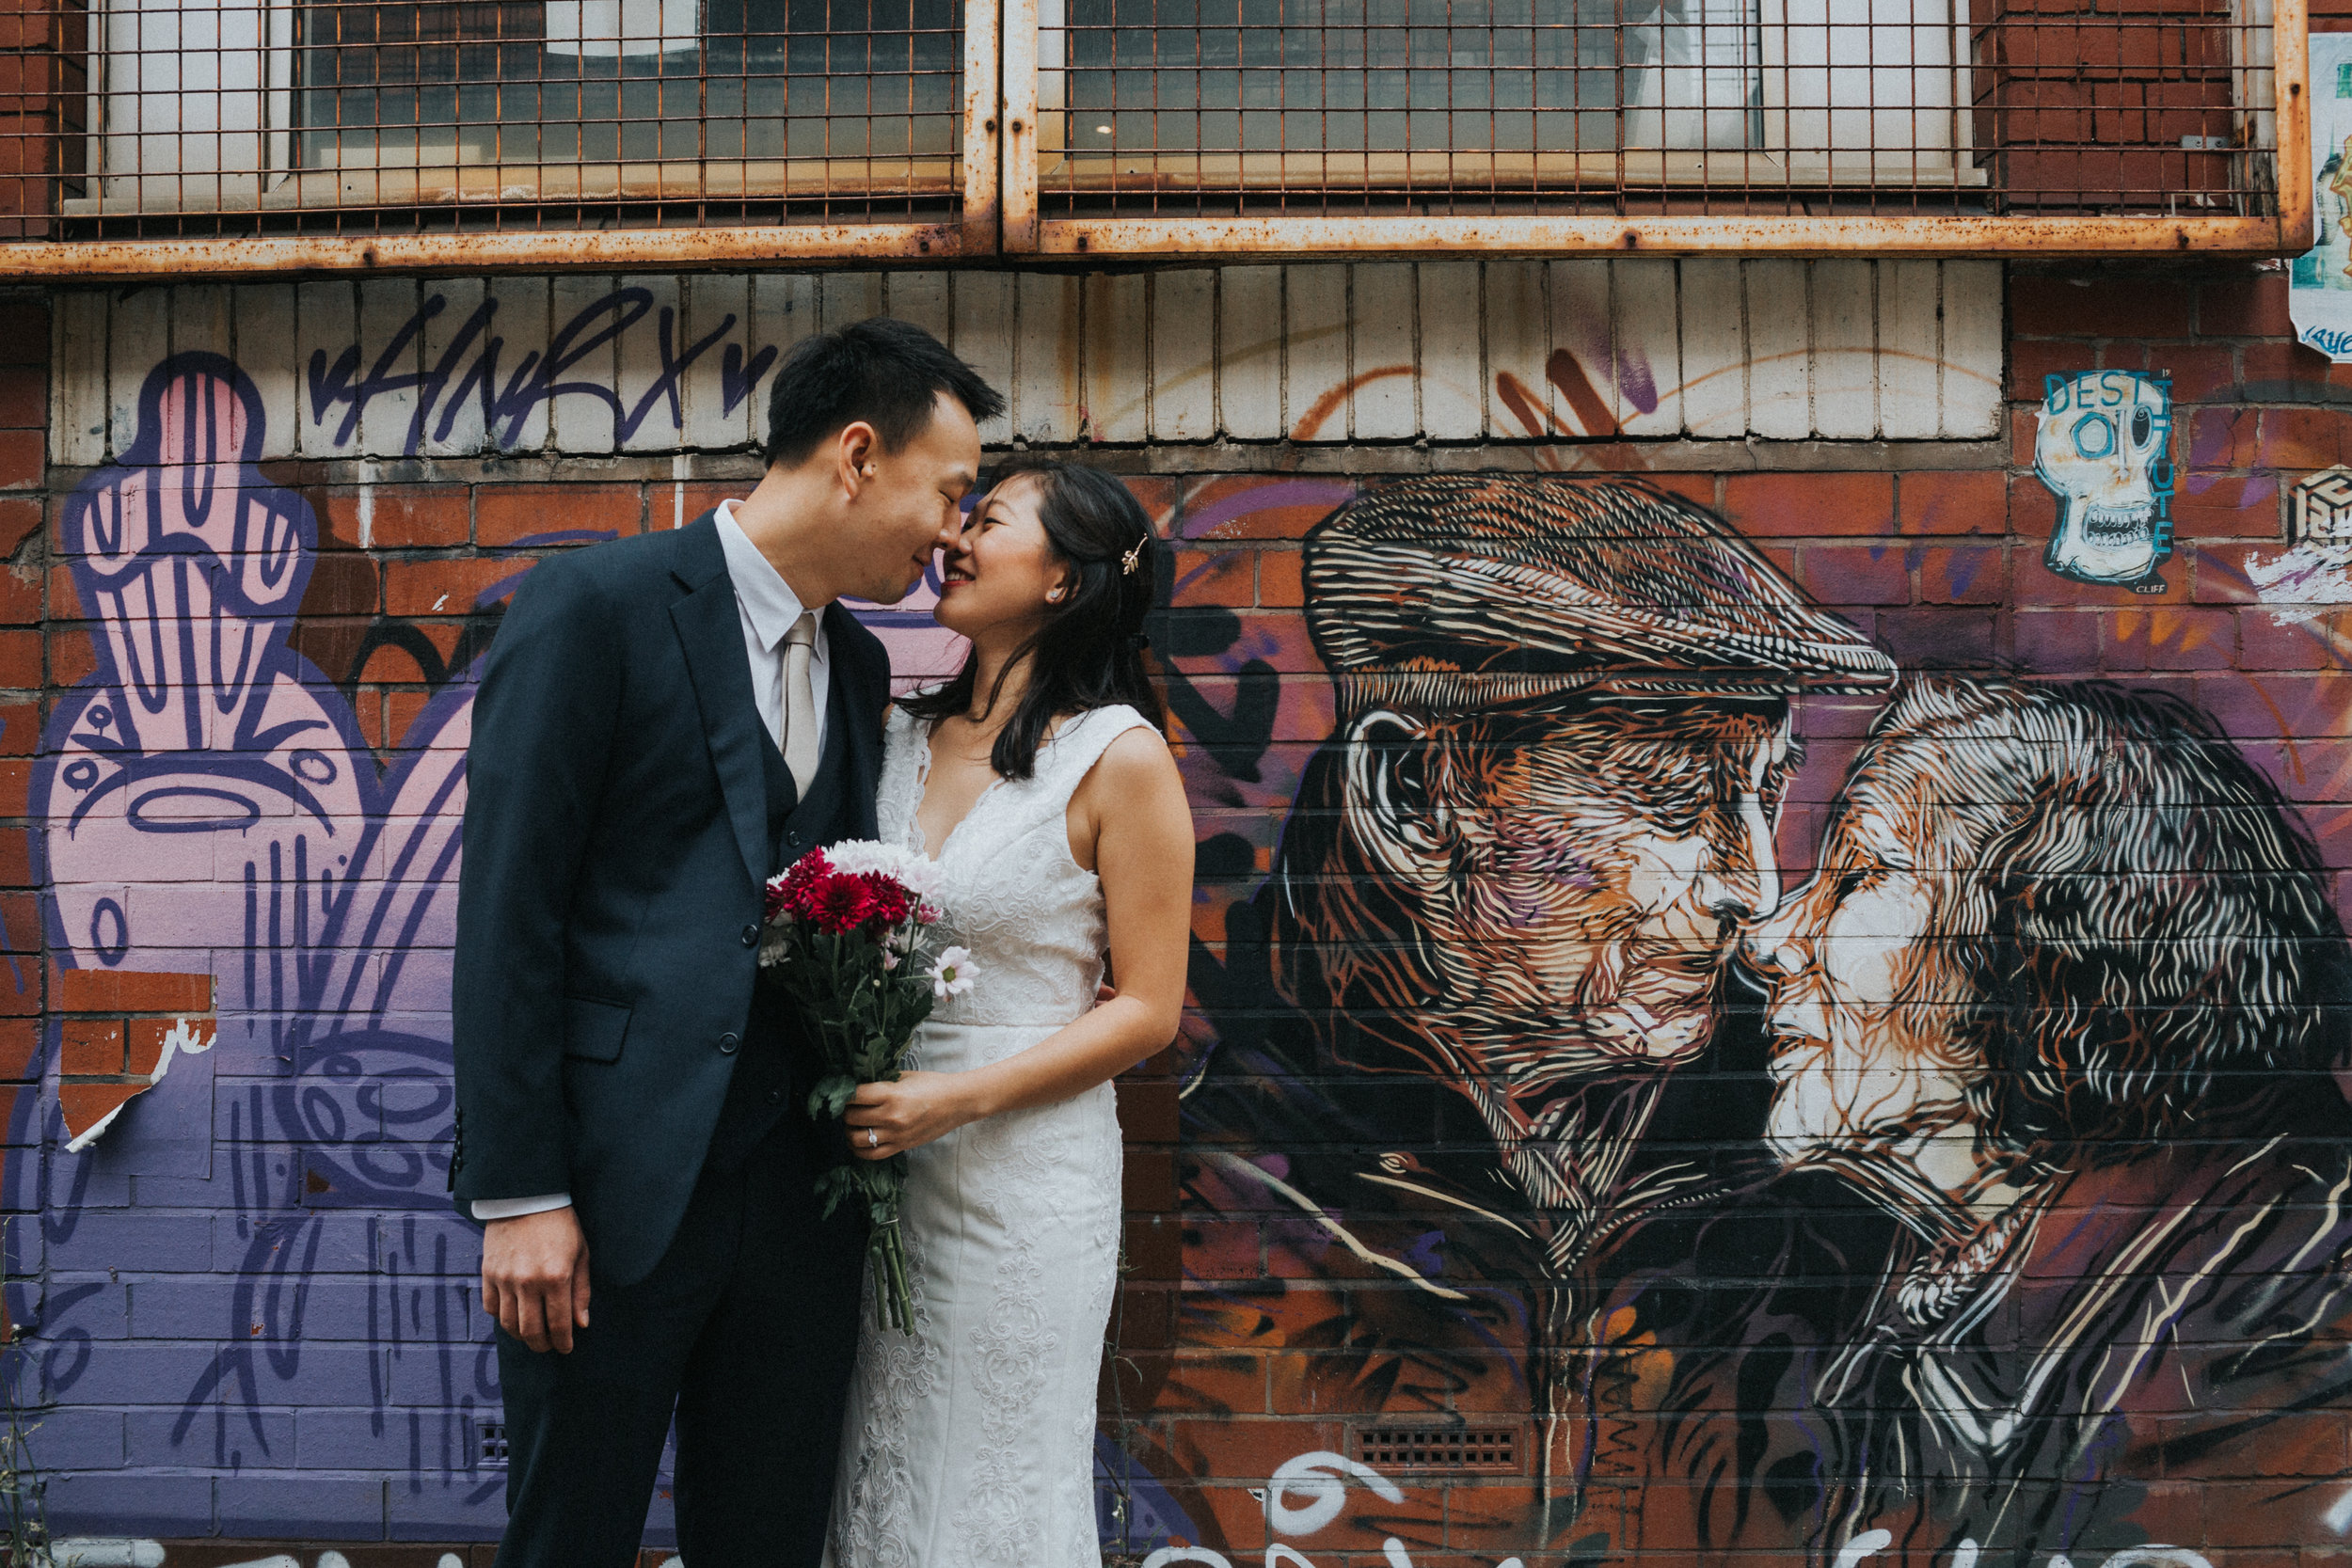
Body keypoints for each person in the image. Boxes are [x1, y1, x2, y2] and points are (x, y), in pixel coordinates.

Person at [1175, 475, 1895, 1533]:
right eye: (1670, 790)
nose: (1753, 880)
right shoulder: (1217, 1211)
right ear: (1412, 799)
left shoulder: (1812, 1196)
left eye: (1766, 790)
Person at [451, 317, 1004, 1567]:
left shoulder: (857, 662)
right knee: (570, 1538)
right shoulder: (597, 606)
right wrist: (521, 1191)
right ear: (858, 456)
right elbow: (509, 911)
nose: (952, 531)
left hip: (800, 1205)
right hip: (606, 1194)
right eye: (948, 489)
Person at [1579, 675, 2352, 1563]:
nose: (1772, 938)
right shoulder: (1919, 1303)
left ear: (2048, 939)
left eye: (1861, 873)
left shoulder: (2291, 1309)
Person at [823, 458, 1195, 1568]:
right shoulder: (891, 733)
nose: (955, 538)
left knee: (995, 1473)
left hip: (1022, 1169)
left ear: (1061, 580)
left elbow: (1148, 1009)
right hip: (883, 1155)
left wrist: (961, 1096)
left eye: (987, 521)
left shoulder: (1119, 759)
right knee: (881, 1459)